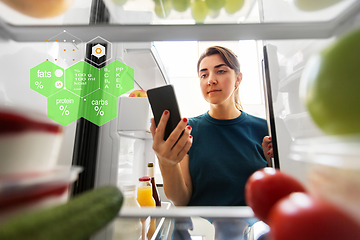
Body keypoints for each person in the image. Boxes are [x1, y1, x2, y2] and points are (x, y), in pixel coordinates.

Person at [150, 46, 273, 207]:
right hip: (202, 229)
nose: (211, 80)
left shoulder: (265, 128)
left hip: (252, 228)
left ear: (238, 79)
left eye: (220, 71)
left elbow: (276, 193)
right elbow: (180, 200)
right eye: (204, 74)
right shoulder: (188, 131)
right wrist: (166, 163)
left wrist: (273, 165)